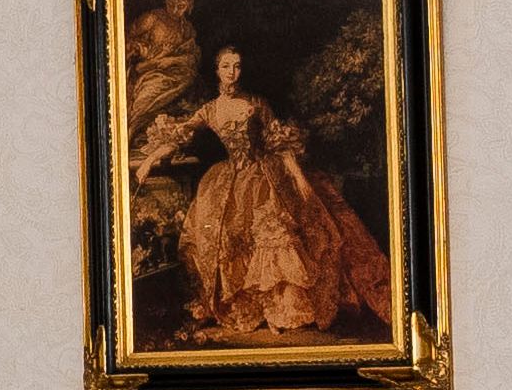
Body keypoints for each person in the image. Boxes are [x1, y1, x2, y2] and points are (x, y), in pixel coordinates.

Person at [146, 47, 390, 341]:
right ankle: (249, 309)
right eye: (226, 66)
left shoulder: (256, 103)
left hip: (264, 177)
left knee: (276, 239)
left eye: (237, 66)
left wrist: (299, 178)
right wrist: (148, 161)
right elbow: (179, 135)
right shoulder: (209, 110)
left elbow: (278, 142)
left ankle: (281, 311)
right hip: (229, 179)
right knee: (227, 235)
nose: (232, 72)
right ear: (217, 71)